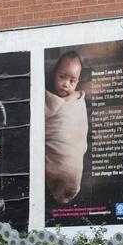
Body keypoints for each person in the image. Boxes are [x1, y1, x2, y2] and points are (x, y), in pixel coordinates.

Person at [44, 51, 88, 204]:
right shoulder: (49, 99)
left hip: (73, 163)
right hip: (56, 161)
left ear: (77, 83)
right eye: (62, 77)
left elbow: (80, 133)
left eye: (72, 81)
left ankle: (67, 189)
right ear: (54, 74)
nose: (65, 84)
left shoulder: (78, 101)